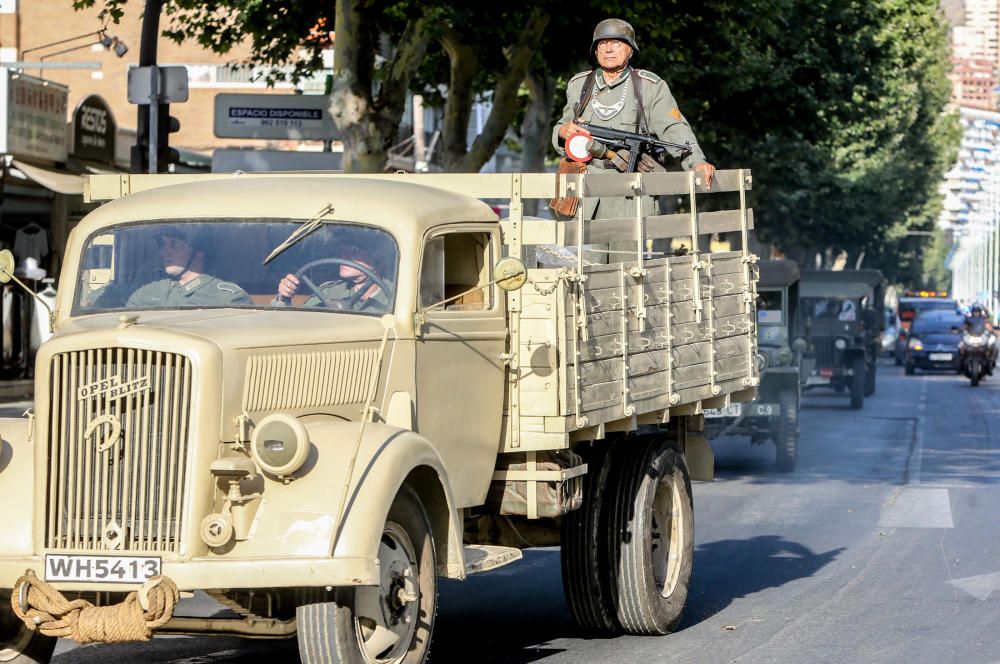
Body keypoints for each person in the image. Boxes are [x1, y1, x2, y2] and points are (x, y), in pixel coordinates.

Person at [552, 18, 716, 196]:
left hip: (634, 189)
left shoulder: (650, 86)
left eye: (616, 43)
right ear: (596, 51)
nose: (608, 49)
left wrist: (697, 162)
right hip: (586, 190)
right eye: (602, 44)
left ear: (630, 50)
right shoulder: (580, 84)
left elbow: (674, 128)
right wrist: (562, 132)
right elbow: (563, 126)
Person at [126, 228, 251, 308]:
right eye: (162, 245)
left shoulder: (228, 298)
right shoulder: (146, 293)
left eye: (174, 244)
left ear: (198, 251)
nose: (164, 252)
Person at [273, 244, 389, 312]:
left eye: (355, 252)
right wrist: (283, 298)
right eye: (343, 251)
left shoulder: (396, 296)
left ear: (379, 263)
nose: (344, 256)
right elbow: (300, 321)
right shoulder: (329, 292)